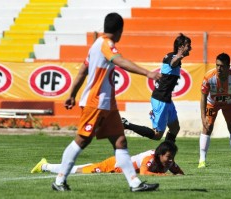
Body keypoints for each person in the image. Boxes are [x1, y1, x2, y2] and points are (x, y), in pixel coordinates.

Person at [51, 13, 162, 192]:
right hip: (95, 103)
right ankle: (59, 180)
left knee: (120, 142)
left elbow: (82, 71)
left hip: (108, 105)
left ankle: (135, 183)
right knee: (81, 141)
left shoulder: (95, 45)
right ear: (119, 31)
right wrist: (147, 73)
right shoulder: (105, 44)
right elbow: (119, 61)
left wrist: (71, 94)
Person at [122, 33, 192, 141]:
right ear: (181, 47)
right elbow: (173, 63)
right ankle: (126, 124)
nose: (190, 48)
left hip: (166, 99)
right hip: (160, 100)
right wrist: (178, 57)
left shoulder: (172, 57)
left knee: (175, 128)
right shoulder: (172, 58)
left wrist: (178, 57)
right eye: (188, 45)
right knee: (157, 135)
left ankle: (168, 153)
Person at [198, 53, 231, 168]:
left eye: (222, 66)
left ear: (228, 66)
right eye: (217, 65)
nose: (219, 68)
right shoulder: (209, 77)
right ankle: (202, 160)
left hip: (229, 103)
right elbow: (203, 97)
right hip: (212, 103)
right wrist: (203, 117)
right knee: (207, 127)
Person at [31, 141, 184, 176]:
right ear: (159, 155)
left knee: (83, 168)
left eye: (172, 158)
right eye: (169, 157)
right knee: (79, 171)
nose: (171, 161)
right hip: (113, 166)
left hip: (117, 165)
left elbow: (178, 172)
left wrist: (180, 175)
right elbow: (144, 173)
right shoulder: (150, 159)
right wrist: (163, 175)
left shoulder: (167, 160)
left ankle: (45, 165)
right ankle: (44, 166)